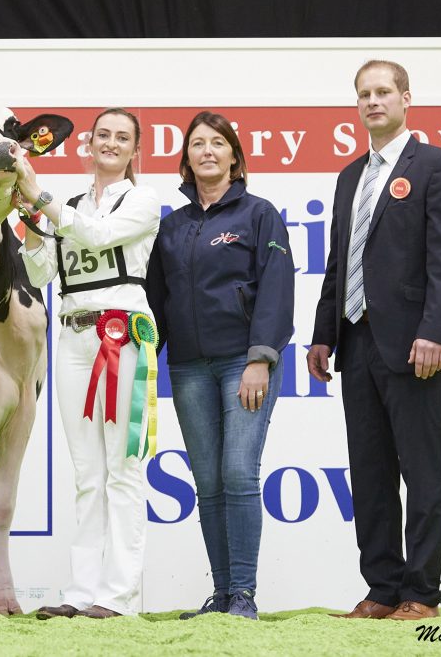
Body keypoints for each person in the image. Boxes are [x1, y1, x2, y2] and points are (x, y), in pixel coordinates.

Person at [307, 60, 441, 621]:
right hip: (357, 341)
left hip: (415, 344)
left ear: (405, 99)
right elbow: (338, 263)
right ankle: (381, 589)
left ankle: (421, 594)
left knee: (422, 470)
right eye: (364, 94)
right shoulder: (350, 176)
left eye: (383, 92)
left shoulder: (437, 166)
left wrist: (435, 331)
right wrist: (324, 333)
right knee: (370, 471)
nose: (373, 101)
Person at [146, 111, 295, 621]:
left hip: (243, 363)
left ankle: (244, 597)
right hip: (188, 368)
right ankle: (222, 594)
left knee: (237, 472)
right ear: (185, 158)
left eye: (217, 143)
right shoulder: (171, 226)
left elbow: (277, 289)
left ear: (235, 156)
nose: (206, 150)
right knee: (207, 482)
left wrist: (260, 358)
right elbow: (155, 302)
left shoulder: (259, 214)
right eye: (197, 144)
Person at [15, 108, 161, 619]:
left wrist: (40, 199)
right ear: (89, 144)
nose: (112, 143)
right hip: (74, 335)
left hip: (122, 335)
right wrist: (32, 228)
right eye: (104, 135)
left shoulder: (143, 200)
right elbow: (43, 272)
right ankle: (81, 591)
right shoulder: (71, 204)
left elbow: (97, 236)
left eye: (123, 137)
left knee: (123, 469)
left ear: (135, 149)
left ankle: (118, 595)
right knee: (86, 472)